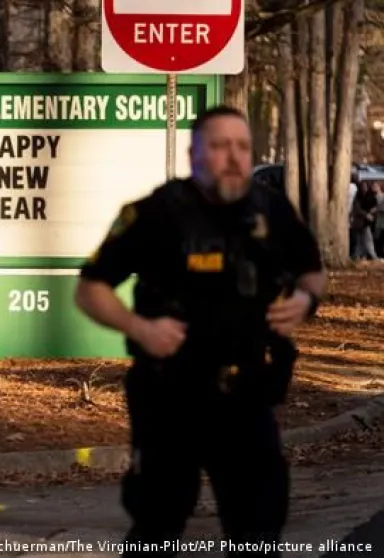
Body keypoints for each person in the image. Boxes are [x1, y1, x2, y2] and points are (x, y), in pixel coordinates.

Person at [74, 105, 326, 557]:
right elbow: (90, 289)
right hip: (170, 395)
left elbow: (312, 272)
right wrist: (140, 328)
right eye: (219, 145)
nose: (233, 156)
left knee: (258, 527)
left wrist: (305, 301)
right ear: (193, 153)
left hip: (248, 393)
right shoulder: (156, 213)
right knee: (157, 524)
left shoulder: (271, 210)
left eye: (242, 146)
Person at [351, 182, 379, 261]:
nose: (365, 188)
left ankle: (356, 256)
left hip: (364, 223)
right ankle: (373, 256)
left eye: (366, 187)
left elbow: (372, 205)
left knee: (361, 242)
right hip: (360, 223)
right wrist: (367, 215)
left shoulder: (368, 197)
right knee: (367, 240)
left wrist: (372, 211)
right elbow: (357, 209)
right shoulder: (358, 198)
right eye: (363, 187)